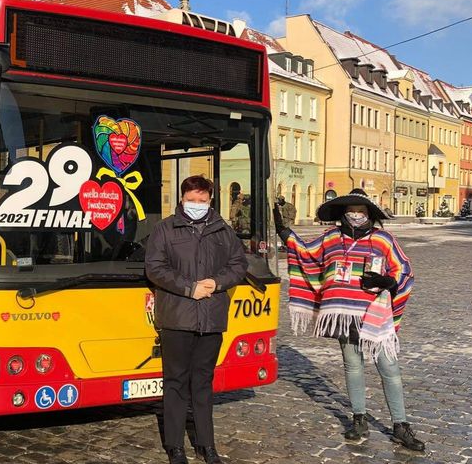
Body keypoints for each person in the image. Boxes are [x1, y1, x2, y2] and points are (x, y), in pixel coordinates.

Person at [274, 188, 424, 452]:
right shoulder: (331, 238)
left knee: (389, 368)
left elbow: (404, 270)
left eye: (361, 211)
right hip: (343, 314)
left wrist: (388, 281)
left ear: (369, 214)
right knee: (352, 366)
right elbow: (306, 253)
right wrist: (283, 230)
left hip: (375, 315)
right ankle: (359, 419)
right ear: (344, 214)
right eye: (351, 211)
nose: (356, 215)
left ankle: (400, 425)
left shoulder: (383, 240)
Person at [145, 175, 249, 464]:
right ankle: (175, 446)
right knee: (176, 382)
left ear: (210, 201)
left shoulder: (222, 231)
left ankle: (207, 445)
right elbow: (155, 268)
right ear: (182, 199)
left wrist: (217, 283)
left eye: (202, 201)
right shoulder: (165, 229)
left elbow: (238, 264)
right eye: (192, 200)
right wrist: (189, 288)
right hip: (177, 317)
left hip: (211, 318)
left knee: (203, 383)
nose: (196, 205)